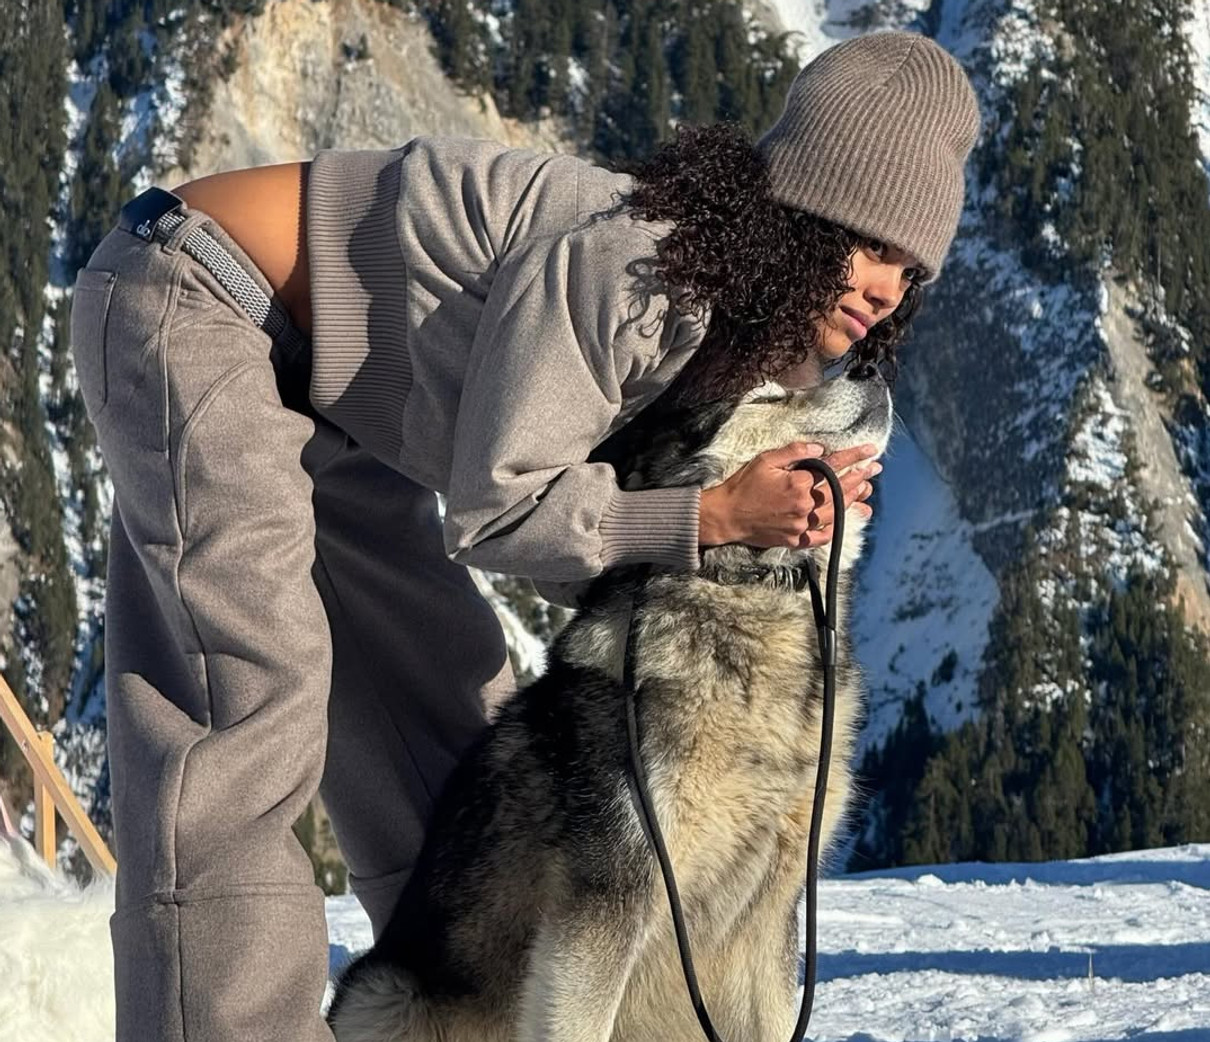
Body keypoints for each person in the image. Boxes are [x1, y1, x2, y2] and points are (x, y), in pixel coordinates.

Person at [70, 28, 979, 1042]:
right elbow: (500, 511)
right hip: (200, 298)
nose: (882, 285)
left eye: (908, 264)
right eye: (863, 239)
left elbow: (586, 540)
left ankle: (452, 1015)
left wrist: (759, 522)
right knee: (247, 701)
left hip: (339, 405)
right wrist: (714, 514)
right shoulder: (634, 265)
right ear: (798, 215)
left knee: (465, 731)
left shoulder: (717, 329)